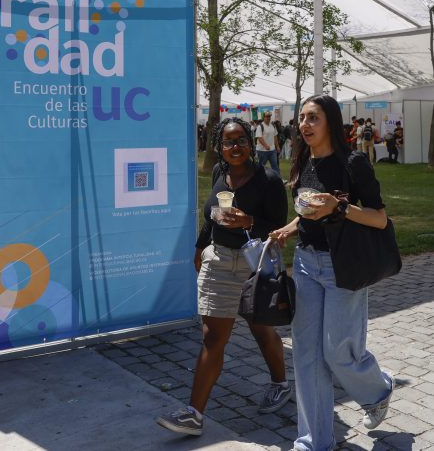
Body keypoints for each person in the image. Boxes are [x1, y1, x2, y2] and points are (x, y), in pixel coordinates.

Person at [270, 95, 395, 451]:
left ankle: (378, 389)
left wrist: (339, 206)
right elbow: (308, 210)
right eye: (302, 119)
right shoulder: (304, 161)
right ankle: (314, 442)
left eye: (313, 118)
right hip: (307, 264)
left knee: (338, 352)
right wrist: (289, 228)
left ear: (331, 122)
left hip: (343, 264)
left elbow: (379, 218)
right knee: (306, 355)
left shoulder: (353, 163)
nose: (305, 125)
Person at [155, 118, 291, 437]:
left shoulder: (269, 180)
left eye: (241, 140)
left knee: (262, 330)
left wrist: (250, 220)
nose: (235, 147)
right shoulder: (220, 173)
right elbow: (210, 217)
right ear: (219, 147)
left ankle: (280, 383)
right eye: (228, 142)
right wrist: (200, 247)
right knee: (213, 337)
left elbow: (278, 228)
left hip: (253, 263)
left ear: (251, 142)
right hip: (218, 262)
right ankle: (193, 414)